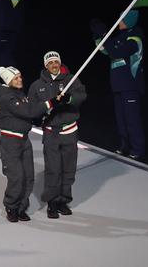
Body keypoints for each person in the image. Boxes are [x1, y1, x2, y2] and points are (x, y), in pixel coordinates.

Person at [29, 50, 87, 218]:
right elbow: (32, 107)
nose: (54, 65)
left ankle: (63, 201)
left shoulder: (71, 80)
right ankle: (52, 203)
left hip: (70, 132)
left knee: (68, 169)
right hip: (51, 134)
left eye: (56, 62)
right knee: (53, 169)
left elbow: (82, 95)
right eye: (50, 63)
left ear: (60, 63)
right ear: (46, 66)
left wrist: (69, 99)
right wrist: (39, 115)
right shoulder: (37, 85)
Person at [0, 66, 54, 222]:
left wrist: (41, 115)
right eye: (16, 78)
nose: (20, 80)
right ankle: (11, 206)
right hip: (10, 142)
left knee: (28, 176)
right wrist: (48, 104)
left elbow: (29, 111)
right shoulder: (7, 98)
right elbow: (28, 111)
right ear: (8, 80)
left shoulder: (18, 94)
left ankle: (21, 207)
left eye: (20, 77)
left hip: (24, 140)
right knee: (17, 176)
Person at [95, 10, 146, 159]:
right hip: (118, 85)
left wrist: (105, 35)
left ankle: (137, 149)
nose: (119, 22)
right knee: (121, 119)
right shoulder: (120, 37)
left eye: (122, 19)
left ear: (128, 21)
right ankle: (124, 146)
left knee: (132, 119)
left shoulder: (135, 39)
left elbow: (117, 53)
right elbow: (106, 51)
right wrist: (98, 36)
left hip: (130, 86)